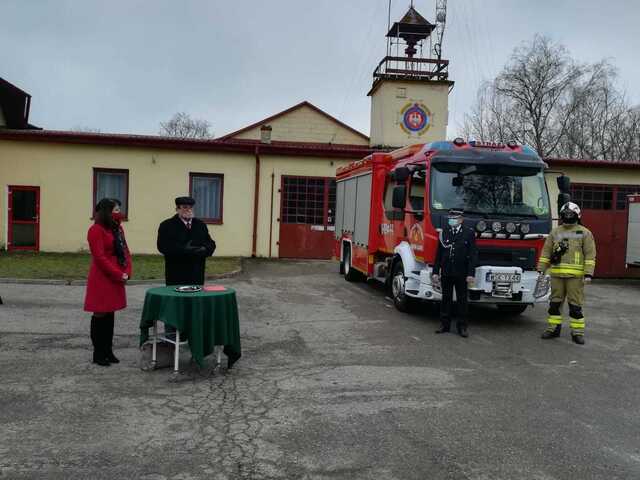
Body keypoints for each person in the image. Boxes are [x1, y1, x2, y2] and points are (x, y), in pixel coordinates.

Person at [537, 202, 596, 345]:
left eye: (571, 214)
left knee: (575, 307)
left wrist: (588, 274)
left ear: (577, 215)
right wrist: (541, 268)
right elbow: (546, 251)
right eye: (565, 214)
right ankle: (553, 329)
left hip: (575, 278)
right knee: (554, 304)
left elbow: (590, 254)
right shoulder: (555, 232)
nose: (568, 216)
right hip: (556, 275)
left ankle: (577, 333)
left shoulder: (585, 233)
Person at [84, 198, 132, 366]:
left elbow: (125, 250)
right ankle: (98, 352)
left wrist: (127, 271)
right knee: (100, 314)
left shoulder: (117, 228)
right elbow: (100, 257)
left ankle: (108, 350)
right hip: (102, 277)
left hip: (116, 275)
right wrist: (119, 274)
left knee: (110, 314)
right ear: (107, 211)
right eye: (116, 209)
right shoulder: (95, 230)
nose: (119, 212)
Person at [431, 209, 478, 338]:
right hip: (446, 271)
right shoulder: (444, 232)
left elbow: (473, 255)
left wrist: (470, 273)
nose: (451, 220)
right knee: (446, 298)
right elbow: (439, 254)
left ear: (461, 220)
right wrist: (435, 271)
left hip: (461, 272)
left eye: (455, 218)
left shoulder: (468, 233)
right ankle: (444, 325)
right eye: (450, 218)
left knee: (462, 300)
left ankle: (462, 327)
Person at [157, 196, 216, 286]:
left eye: (190, 207)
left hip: (196, 272)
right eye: (184, 207)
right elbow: (162, 246)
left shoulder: (200, 225)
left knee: (195, 297)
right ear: (177, 209)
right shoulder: (167, 225)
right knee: (177, 298)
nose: (188, 210)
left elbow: (210, 243)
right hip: (176, 272)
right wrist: (183, 249)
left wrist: (205, 249)